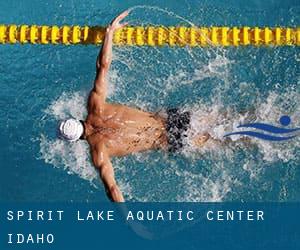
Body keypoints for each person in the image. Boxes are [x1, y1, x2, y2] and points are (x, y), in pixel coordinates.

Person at [58, 11, 210, 202]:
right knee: (226, 118)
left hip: (171, 140)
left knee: (228, 141)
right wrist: (109, 33)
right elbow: (103, 66)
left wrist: (131, 223)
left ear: (76, 140)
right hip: (172, 118)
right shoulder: (95, 105)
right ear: (76, 119)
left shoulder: (99, 152)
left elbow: (112, 189)